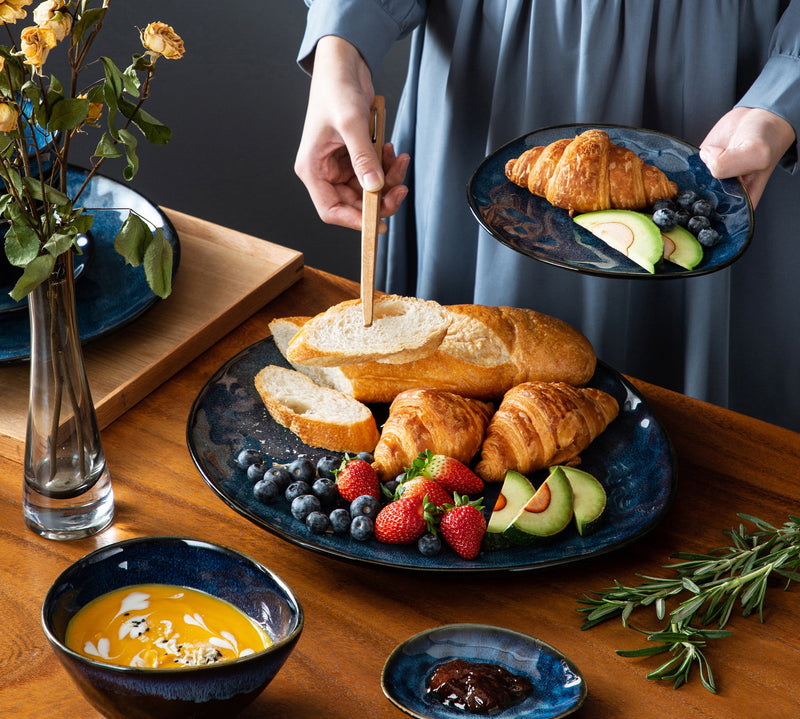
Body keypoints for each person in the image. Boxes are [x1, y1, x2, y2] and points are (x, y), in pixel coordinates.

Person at [294, 1, 800, 426]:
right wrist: (343, 43)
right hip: (484, 78)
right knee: (446, 415)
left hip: (724, 87)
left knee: (708, 460)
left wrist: (785, 92)